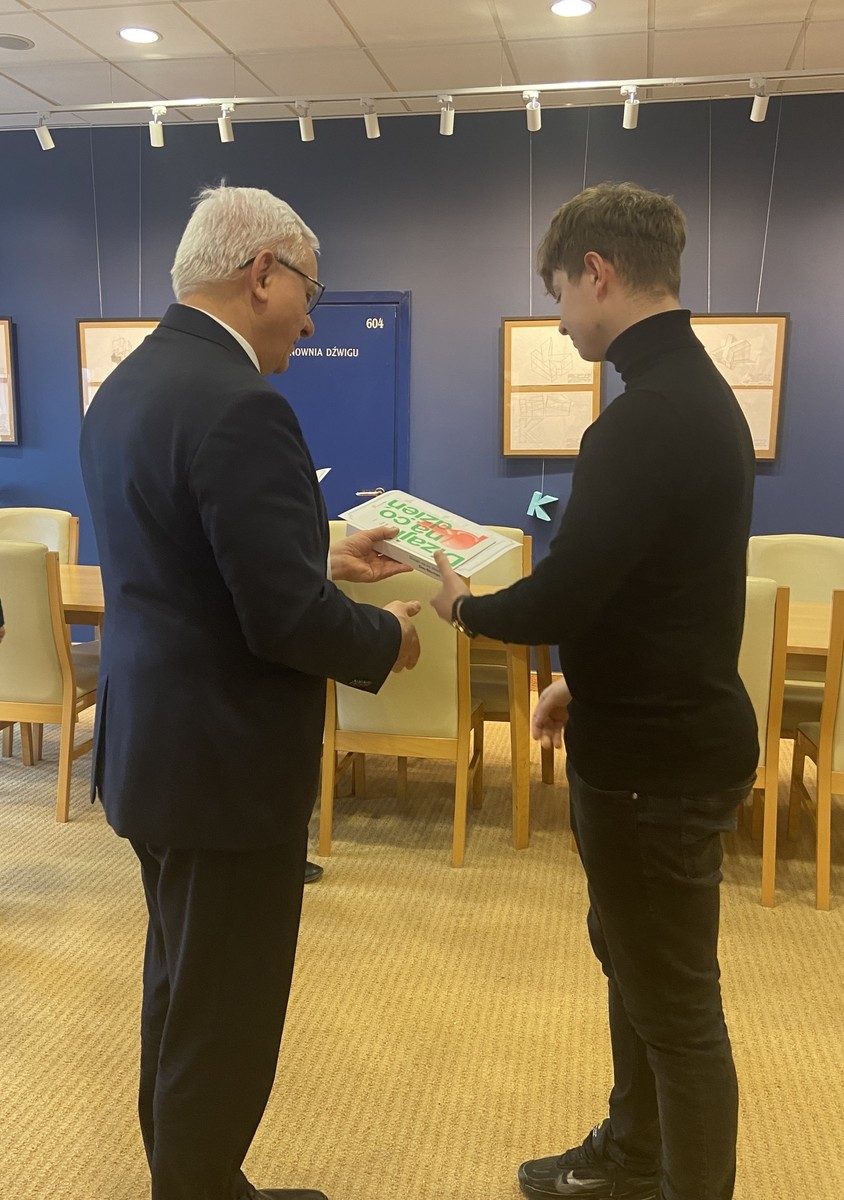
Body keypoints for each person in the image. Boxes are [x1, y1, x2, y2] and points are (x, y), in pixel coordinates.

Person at [80, 184, 421, 1200]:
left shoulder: (128, 385)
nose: (311, 321)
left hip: (155, 754)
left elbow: (189, 558)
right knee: (225, 1021)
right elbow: (282, 622)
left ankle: (196, 1181)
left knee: (183, 990)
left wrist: (318, 554)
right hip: (225, 774)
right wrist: (388, 636)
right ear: (262, 273)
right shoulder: (243, 405)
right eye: (310, 290)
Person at [431, 182, 758, 1200]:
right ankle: (631, 1155)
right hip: (659, 736)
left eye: (560, 296)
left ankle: (659, 1169)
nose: (563, 320)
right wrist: (583, 676)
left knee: (677, 1010)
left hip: (654, 768)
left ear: (597, 274)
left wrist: (461, 607)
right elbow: (658, 589)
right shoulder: (693, 396)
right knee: (636, 966)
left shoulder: (643, 420)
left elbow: (566, 591)